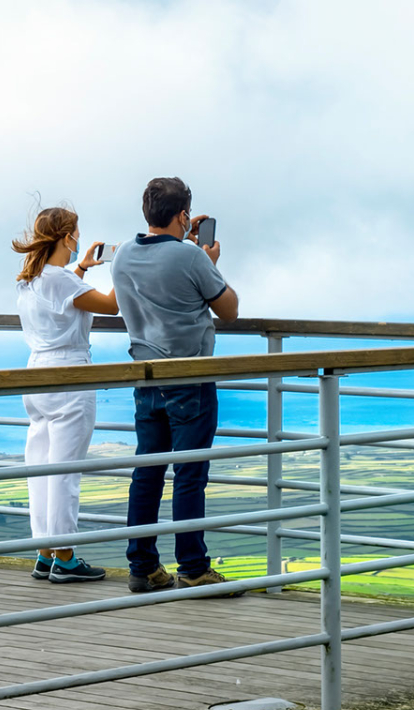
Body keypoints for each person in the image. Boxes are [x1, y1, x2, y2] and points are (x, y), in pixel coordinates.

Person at [108, 176, 241, 593]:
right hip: (190, 380)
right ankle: (194, 568)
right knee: (189, 474)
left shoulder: (122, 256)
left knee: (147, 472)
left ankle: (143, 567)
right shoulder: (191, 258)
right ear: (184, 215)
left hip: (145, 380)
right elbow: (230, 310)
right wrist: (210, 259)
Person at [11, 206, 117, 583]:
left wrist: (84, 268)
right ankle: (66, 556)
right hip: (70, 374)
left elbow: (61, 295)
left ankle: (44, 551)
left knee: (40, 468)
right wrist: (126, 267)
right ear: (66, 236)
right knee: (65, 472)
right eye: (76, 233)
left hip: (36, 373)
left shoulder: (30, 279)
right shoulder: (63, 282)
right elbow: (111, 305)